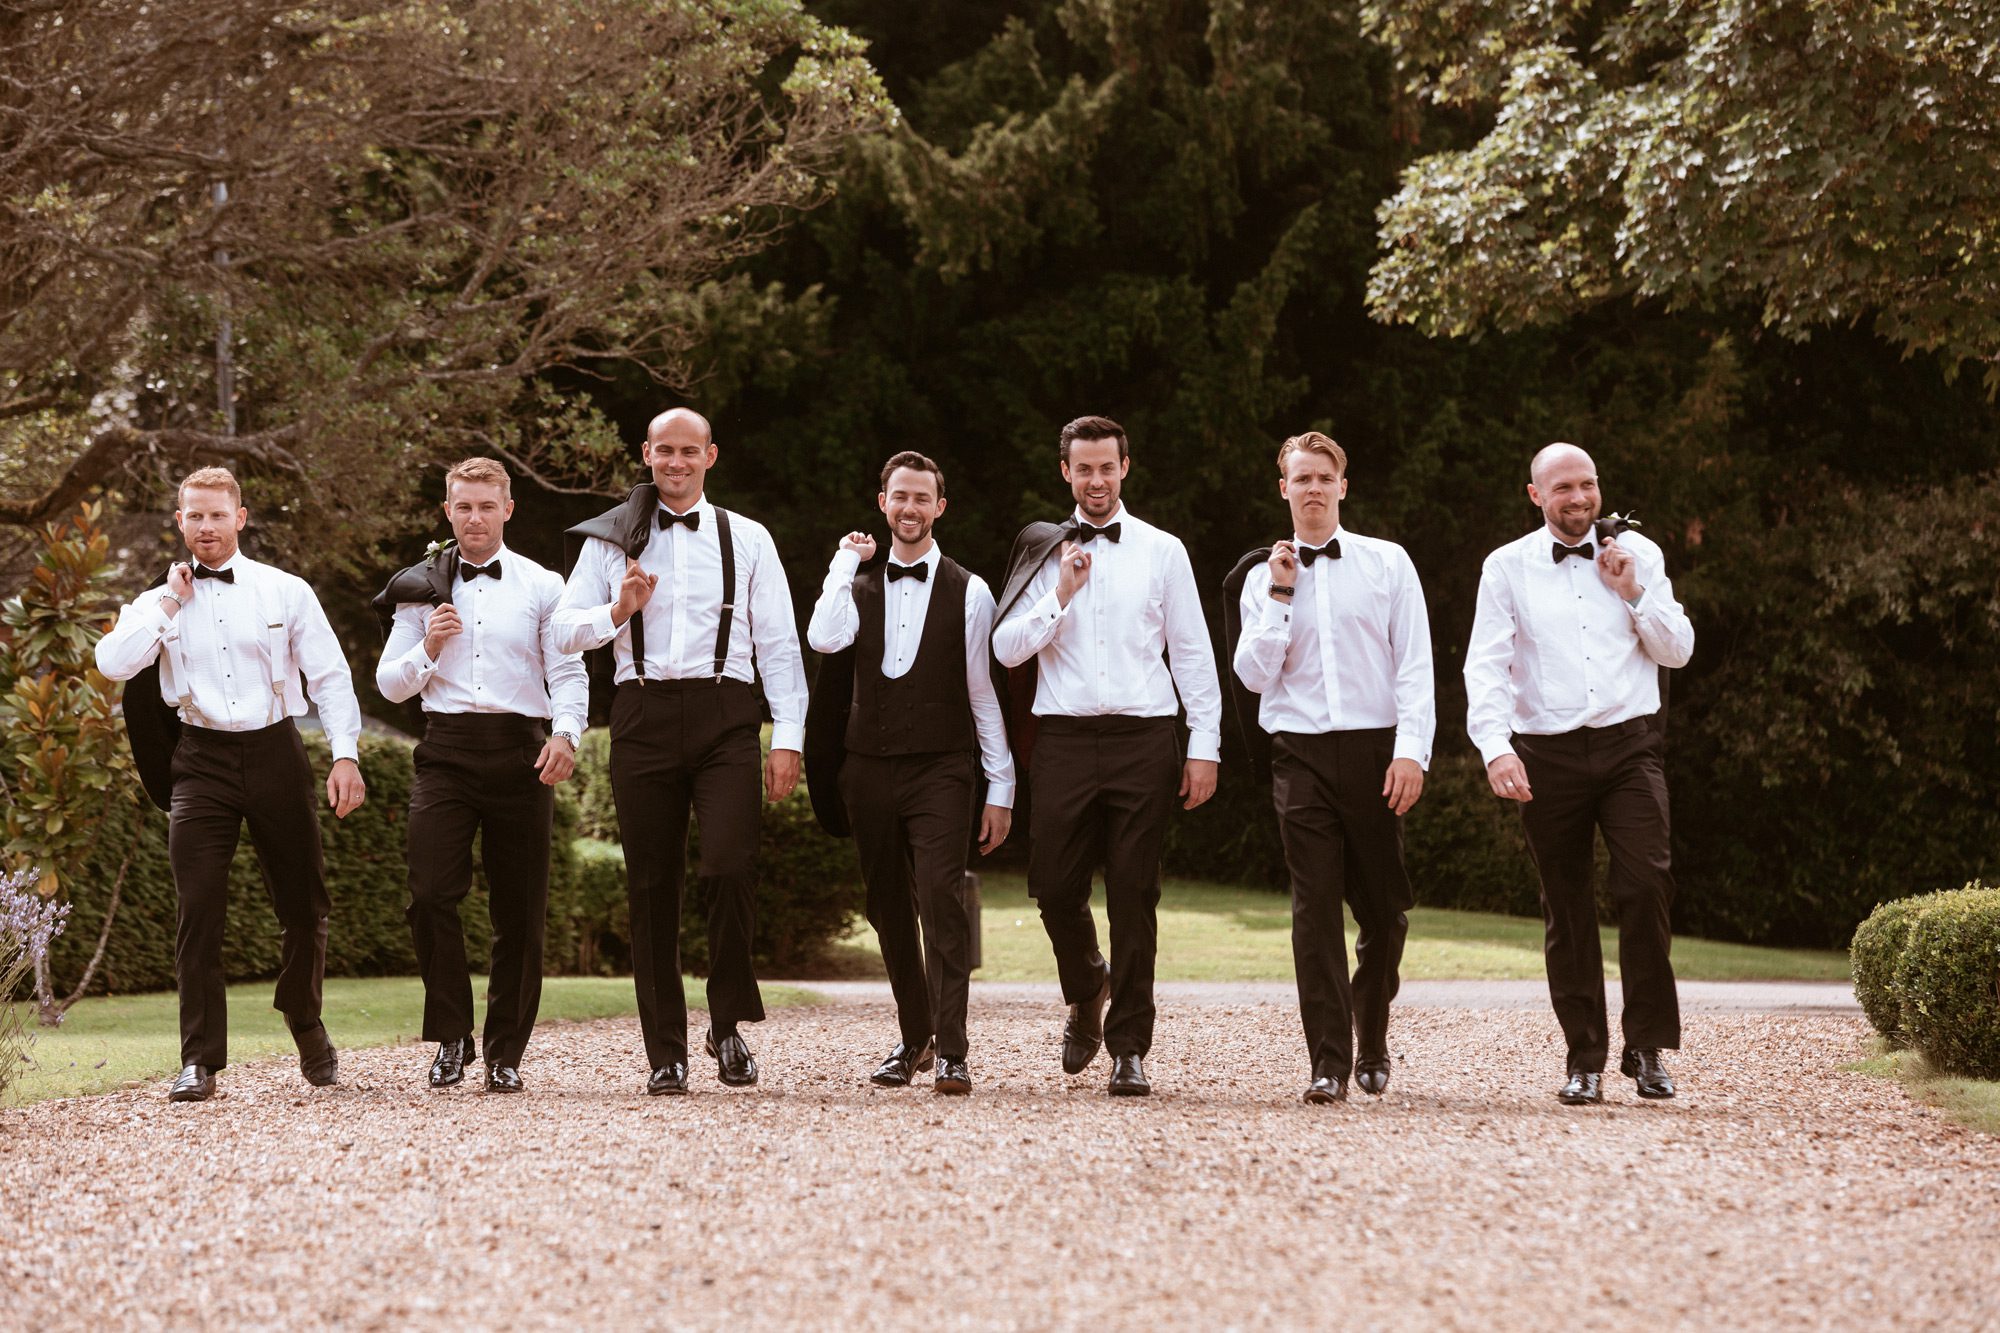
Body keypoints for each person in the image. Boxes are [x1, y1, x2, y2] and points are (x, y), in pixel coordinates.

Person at [555, 408, 809, 1096]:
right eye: (663, 450)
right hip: (641, 711)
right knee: (651, 887)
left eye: (687, 451)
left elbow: (780, 644)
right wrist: (617, 611)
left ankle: (725, 1024)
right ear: (646, 453)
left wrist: (787, 736)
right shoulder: (611, 542)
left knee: (729, 867)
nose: (675, 461)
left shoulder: (748, 538)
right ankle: (665, 1050)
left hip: (728, 714)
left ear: (710, 455)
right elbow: (560, 630)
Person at [96, 466, 366, 1103]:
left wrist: (346, 755)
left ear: (240, 518)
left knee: (304, 909)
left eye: (218, 515)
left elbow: (330, 677)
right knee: (199, 911)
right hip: (200, 760)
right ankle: (199, 1060)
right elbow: (113, 662)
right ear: (180, 521)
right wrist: (169, 603)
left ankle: (304, 1019)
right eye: (195, 516)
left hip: (275, 750)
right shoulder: (156, 599)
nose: (206, 527)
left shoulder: (285, 591)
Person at [992, 415, 1222, 1097]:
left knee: (1133, 892)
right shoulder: (1040, 550)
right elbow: (1006, 648)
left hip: (1144, 737)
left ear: (1126, 466)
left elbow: (1191, 653)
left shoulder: (1163, 550)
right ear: (1065, 471)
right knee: (1053, 886)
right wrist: (1059, 597)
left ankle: (1129, 1046)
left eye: (1107, 467)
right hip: (1061, 737)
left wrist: (1203, 746)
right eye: (1083, 468)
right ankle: (1087, 981)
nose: (1096, 480)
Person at [1464, 442, 1694, 1105]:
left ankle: (1647, 1046)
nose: (1579, 497)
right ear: (1536, 495)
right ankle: (1584, 1055)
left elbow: (1677, 650)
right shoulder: (1506, 567)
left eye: (1587, 484)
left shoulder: (1639, 556)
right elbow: (1485, 664)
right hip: (1546, 752)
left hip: (1629, 746)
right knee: (1565, 905)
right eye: (1563, 487)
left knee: (1646, 883)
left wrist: (1633, 592)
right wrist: (1495, 746)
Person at [1230, 432, 1434, 1104]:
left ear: (1342, 487)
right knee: (1314, 908)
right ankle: (1327, 1060)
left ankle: (1370, 1031)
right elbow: (1254, 675)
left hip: (1377, 751)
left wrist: (1412, 750)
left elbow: (1415, 667)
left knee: (1385, 910)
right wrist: (1283, 595)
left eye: (1324, 477)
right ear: (1281, 487)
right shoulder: (1261, 578)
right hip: (1300, 752)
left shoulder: (1389, 563)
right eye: (1301, 478)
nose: (1312, 488)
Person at [803, 452, 1016, 1095]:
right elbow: (822, 638)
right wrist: (845, 562)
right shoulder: (856, 587)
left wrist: (1000, 786)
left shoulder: (970, 590)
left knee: (939, 900)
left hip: (942, 769)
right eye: (900, 496)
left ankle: (952, 1049)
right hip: (867, 768)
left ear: (939, 507)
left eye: (922, 498)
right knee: (887, 905)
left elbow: (984, 693)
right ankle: (914, 1034)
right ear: (883, 503)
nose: (910, 508)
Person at [374, 457, 588, 1094]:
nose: (474, 517)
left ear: (508, 510)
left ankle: (505, 1053)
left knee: (519, 910)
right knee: (430, 894)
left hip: (522, 751)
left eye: (486, 506)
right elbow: (390, 684)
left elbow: (569, 671)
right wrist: (428, 648)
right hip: (445, 751)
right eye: (463, 507)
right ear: (447, 511)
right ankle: (451, 1036)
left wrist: (567, 733)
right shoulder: (422, 586)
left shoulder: (544, 585)